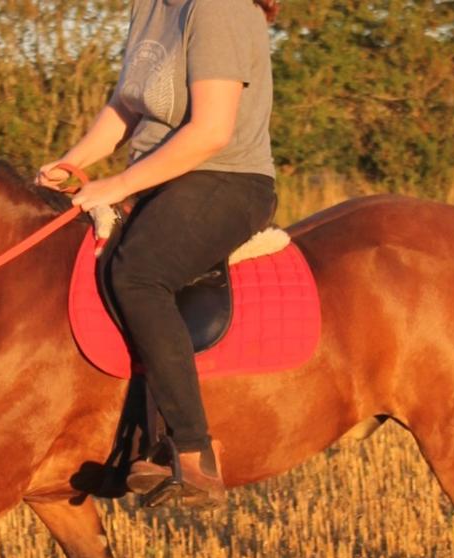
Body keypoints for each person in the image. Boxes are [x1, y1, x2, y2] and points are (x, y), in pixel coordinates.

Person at [36, 0, 280, 506]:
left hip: (227, 178)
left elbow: (212, 131)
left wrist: (117, 184)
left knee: (139, 275)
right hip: (161, 178)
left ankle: (192, 450)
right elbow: (128, 104)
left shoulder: (218, 9)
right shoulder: (150, 6)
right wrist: (72, 162)